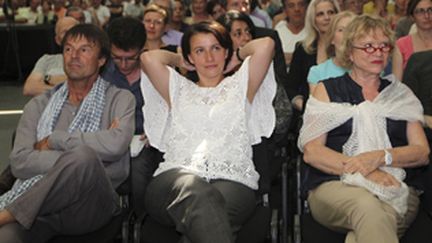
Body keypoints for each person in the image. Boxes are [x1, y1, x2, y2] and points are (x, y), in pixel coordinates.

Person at [140, 21, 276, 242]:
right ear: (191, 57)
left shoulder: (241, 87)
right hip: (174, 180)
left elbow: (266, 45)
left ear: (225, 52)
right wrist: (179, 59)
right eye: (199, 51)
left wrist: (238, 55)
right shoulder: (179, 89)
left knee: (206, 213)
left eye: (216, 48)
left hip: (233, 180)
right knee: (197, 193)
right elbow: (148, 59)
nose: (209, 57)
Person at [298, 15, 429, 243]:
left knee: (364, 229)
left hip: (396, 187)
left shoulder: (400, 94)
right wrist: (366, 170)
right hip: (334, 185)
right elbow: (313, 152)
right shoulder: (326, 90)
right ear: (349, 52)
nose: (378, 53)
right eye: (368, 46)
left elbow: (421, 152)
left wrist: (381, 157)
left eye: (383, 46)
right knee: (367, 205)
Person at [0, 24, 135, 243]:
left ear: (102, 60)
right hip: (39, 206)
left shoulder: (120, 99)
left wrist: (55, 140)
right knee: (6, 237)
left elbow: (116, 145)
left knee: (84, 156)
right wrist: (78, 164)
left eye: (84, 50)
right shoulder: (39, 105)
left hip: (91, 205)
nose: (74, 56)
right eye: (69, 49)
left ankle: (8, 213)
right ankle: (14, 215)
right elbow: (19, 162)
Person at [103, 16, 163, 215]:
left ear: (142, 50)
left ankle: (141, 218)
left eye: (130, 58)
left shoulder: (156, 72)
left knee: (139, 171)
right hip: (109, 137)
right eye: (117, 57)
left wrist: (155, 126)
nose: (124, 64)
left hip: (145, 140)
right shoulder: (102, 73)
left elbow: (171, 107)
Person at [286, 0, 339, 112]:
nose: (327, 18)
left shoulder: (349, 48)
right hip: (309, 114)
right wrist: (303, 107)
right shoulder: (303, 48)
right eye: (320, 14)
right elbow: (290, 87)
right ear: (313, 20)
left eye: (331, 12)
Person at [22, 16, 79, 97]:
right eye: (65, 32)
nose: (69, 35)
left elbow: (85, 85)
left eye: (73, 31)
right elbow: (29, 88)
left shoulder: (88, 59)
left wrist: (48, 80)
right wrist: (68, 87)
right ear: (57, 40)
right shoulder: (46, 60)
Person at [307, 11, 355, 94]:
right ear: (332, 38)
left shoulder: (369, 70)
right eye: (341, 30)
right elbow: (317, 106)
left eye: (351, 30)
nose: (347, 34)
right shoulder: (317, 72)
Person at [392, 0, 432, 81]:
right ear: (412, 16)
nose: (427, 16)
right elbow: (397, 84)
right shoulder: (401, 45)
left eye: (430, 10)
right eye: (420, 11)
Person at [274, 0, 307, 66]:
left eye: (301, 4)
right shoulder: (279, 30)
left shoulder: (314, 30)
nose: (297, 9)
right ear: (285, 10)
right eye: (291, 6)